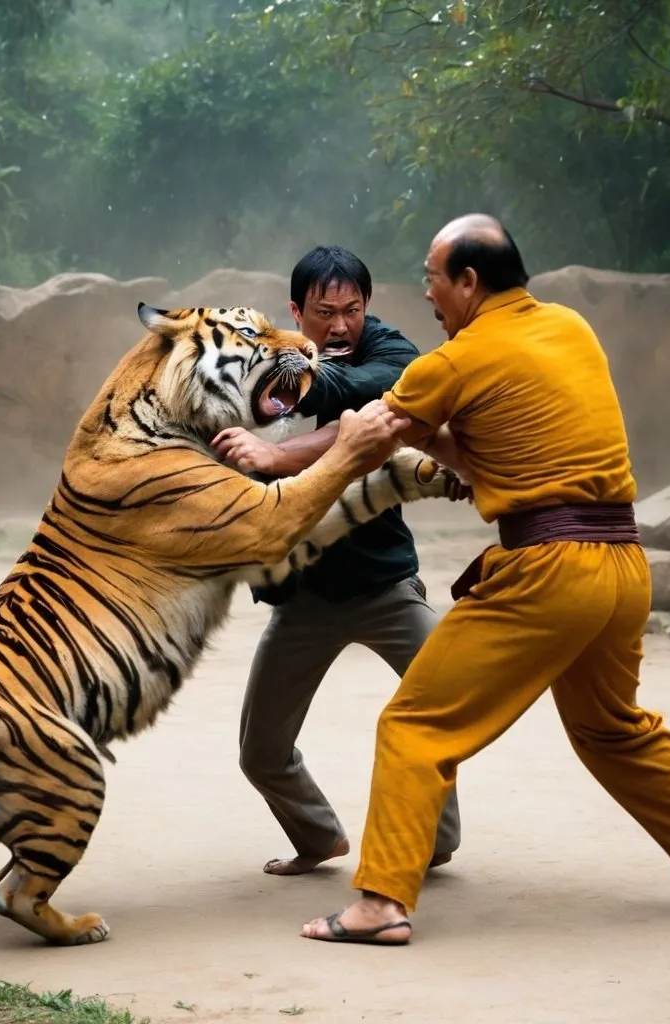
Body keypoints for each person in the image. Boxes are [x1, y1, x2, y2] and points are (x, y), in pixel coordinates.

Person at [299, 214, 670, 945]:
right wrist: (435, 437)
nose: (426, 292)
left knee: (415, 724)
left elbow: (365, 438)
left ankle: (380, 905)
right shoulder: (569, 328)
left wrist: (271, 471)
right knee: (612, 727)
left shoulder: (455, 360)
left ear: (468, 280)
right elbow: (505, 455)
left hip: (548, 572)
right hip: (622, 570)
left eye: (433, 277)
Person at [211, 244, 462, 877]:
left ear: (367, 306)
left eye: (352, 309)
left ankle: (436, 841)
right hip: (305, 598)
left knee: (445, 703)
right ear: (296, 309)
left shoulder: (393, 353)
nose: (342, 325)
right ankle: (317, 837)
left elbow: (372, 395)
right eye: (325, 313)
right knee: (260, 752)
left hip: (386, 586)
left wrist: (286, 407)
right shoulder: (263, 362)